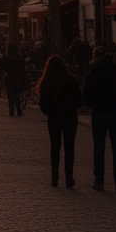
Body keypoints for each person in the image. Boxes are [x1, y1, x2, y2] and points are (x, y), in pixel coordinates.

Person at [82, 45, 116, 193]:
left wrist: (91, 105)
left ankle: (99, 181)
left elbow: (86, 95)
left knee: (99, 148)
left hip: (99, 114)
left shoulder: (92, 73)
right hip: (115, 114)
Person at [37, 55, 82, 188]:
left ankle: (54, 177)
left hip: (54, 117)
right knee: (69, 147)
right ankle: (69, 176)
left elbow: (43, 103)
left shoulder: (46, 81)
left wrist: (48, 111)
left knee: (55, 147)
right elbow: (79, 100)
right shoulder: (71, 80)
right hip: (70, 117)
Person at [0, 43, 26, 116]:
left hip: (9, 77)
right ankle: (19, 110)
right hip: (18, 77)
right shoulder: (20, 57)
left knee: (10, 95)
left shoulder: (6, 57)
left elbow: (1, 67)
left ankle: (11, 111)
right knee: (17, 94)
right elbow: (23, 67)